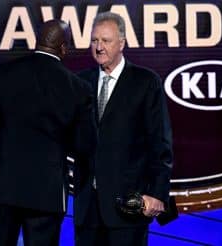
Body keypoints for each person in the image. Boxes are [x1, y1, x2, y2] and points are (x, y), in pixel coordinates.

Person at [0, 19, 97, 246]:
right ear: (64, 48)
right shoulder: (78, 88)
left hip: (0, 189)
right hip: (47, 194)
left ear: (36, 40)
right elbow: (86, 145)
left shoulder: (2, 74)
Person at [74, 12, 173, 246]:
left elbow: (160, 142)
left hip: (128, 206)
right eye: (95, 40)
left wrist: (158, 193)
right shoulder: (80, 83)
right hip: (88, 208)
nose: (99, 47)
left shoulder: (145, 82)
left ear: (122, 43)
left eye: (106, 41)